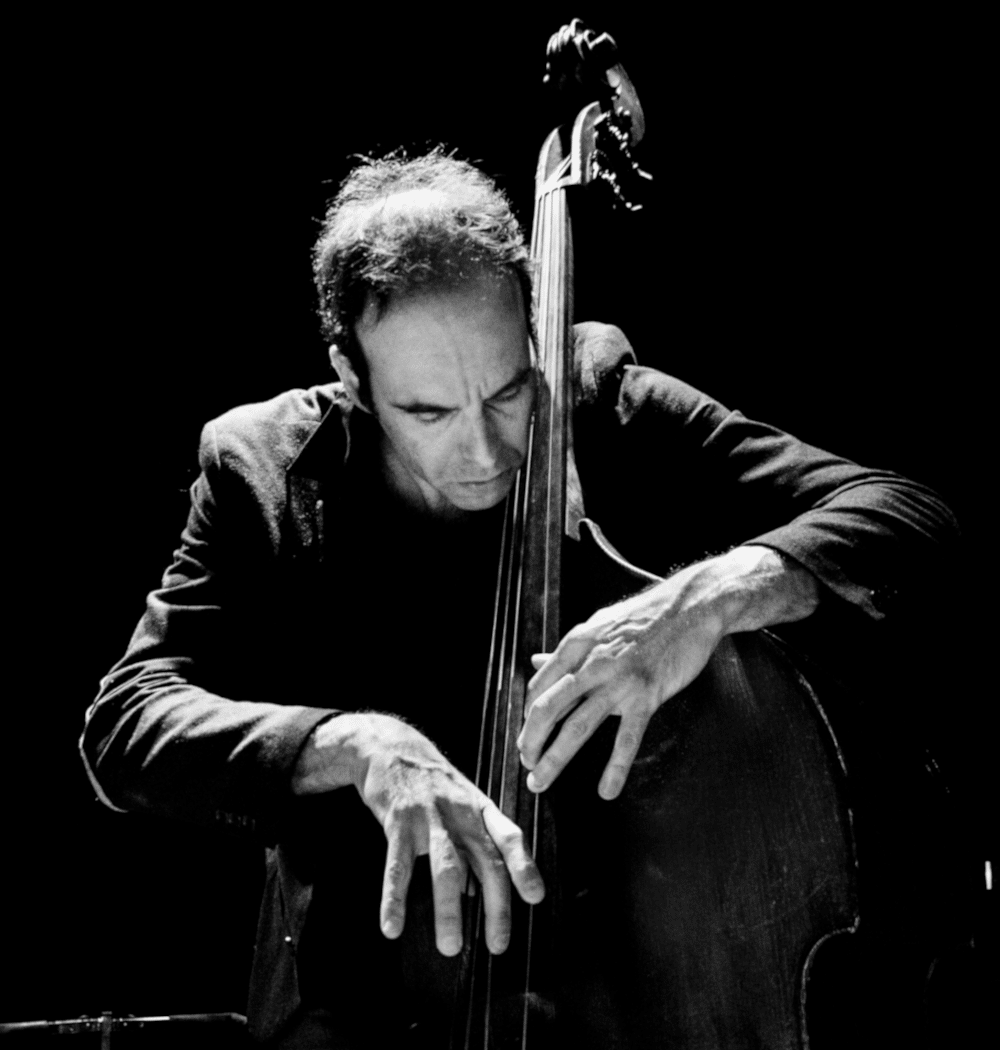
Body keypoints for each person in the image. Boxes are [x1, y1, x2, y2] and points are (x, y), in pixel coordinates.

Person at [80, 150, 959, 1047]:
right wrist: (351, 745)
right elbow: (125, 724)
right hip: (362, 1012)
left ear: (532, 330)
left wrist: (706, 599)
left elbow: (908, 517)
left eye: (507, 392)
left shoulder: (597, 398)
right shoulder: (260, 470)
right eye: (428, 413)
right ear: (351, 374)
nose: (485, 451)